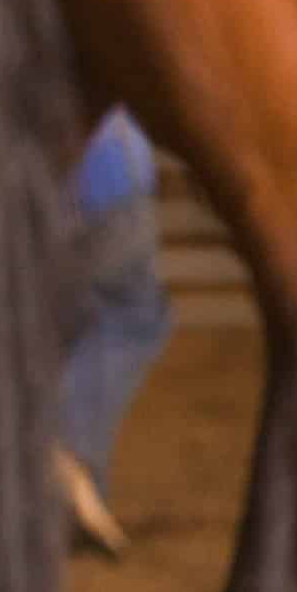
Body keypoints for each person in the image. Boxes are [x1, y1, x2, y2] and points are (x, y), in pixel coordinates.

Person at [55, 105, 174, 557]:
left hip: (31, 201)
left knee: (65, 335)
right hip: (110, 194)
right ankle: (68, 450)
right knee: (136, 314)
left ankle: (76, 492)